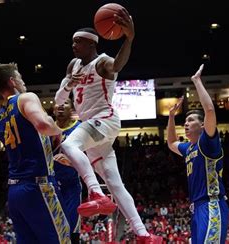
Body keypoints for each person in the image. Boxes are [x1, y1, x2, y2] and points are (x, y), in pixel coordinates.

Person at [54, 9, 162, 243]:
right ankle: (143, 234)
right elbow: (59, 101)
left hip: (104, 118)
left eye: (78, 41)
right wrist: (68, 85)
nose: (73, 45)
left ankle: (95, 191)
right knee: (115, 183)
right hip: (90, 127)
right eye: (72, 41)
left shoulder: (101, 62)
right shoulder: (73, 65)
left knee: (69, 144)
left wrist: (129, 40)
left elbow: (118, 65)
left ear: (91, 44)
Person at [0, 63, 70, 243]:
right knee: (61, 240)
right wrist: (58, 130)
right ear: (12, 81)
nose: (23, 81)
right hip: (39, 186)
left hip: (15, 192)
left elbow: (27, 143)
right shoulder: (25, 98)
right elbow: (42, 126)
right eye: (19, 77)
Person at [167, 64, 229, 243]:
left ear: (202, 125)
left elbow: (209, 110)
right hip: (197, 207)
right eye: (184, 121)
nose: (185, 124)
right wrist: (171, 117)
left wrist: (196, 81)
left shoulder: (207, 142)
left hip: (211, 204)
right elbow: (171, 143)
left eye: (190, 120)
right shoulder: (189, 148)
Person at [52, 98, 82, 242]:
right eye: (58, 103)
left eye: (66, 102)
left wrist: (72, 162)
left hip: (71, 186)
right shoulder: (46, 128)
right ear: (53, 109)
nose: (61, 105)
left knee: (71, 231)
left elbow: (91, 157)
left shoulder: (80, 128)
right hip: (50, 187)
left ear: (72, 108)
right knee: (52, 231)